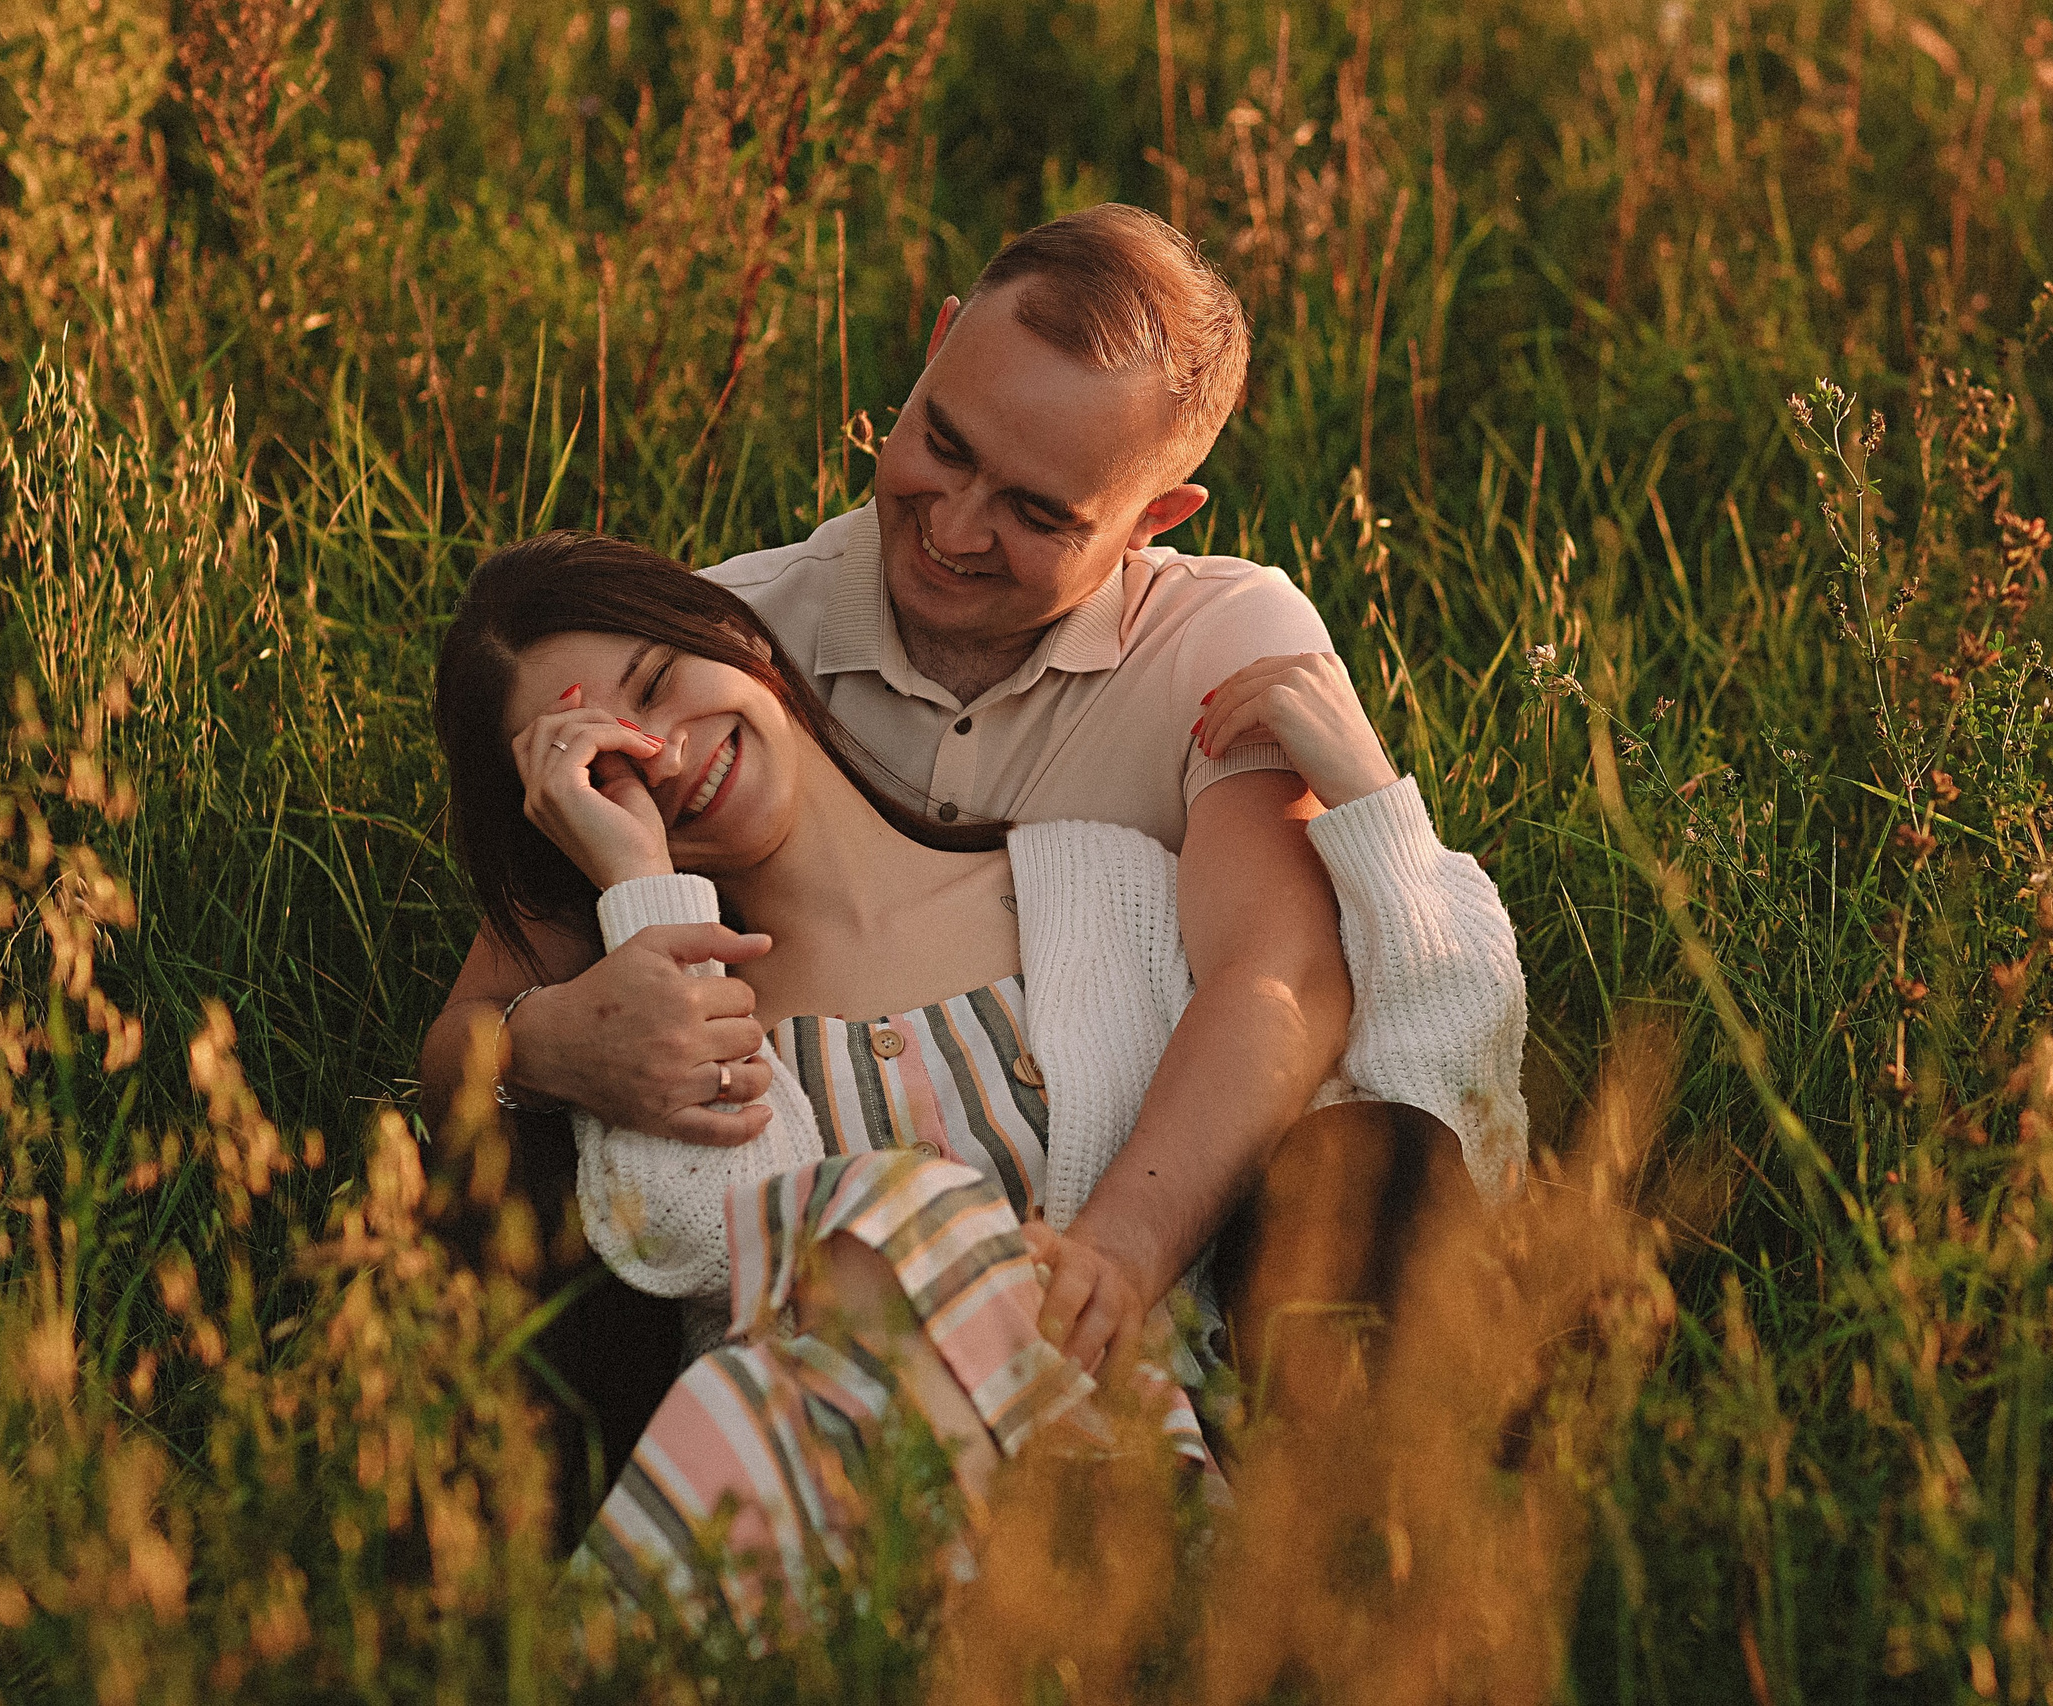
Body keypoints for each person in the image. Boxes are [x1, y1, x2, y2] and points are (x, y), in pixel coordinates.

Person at [419, 205, 1466, 1476]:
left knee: (1369, 1166)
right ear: (933, 347)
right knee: (525, 1166)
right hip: (821, 1301)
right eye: (941, 443)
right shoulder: (730, 640)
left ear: (1153, 516)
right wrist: (548, 1041)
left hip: (1137, 1233)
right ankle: (531, 1591)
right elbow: (465, 1037)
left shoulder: (1220, 642)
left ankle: (1360, 1561)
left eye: (1038, 511)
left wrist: (1118, 1256)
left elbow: (1280, 982)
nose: (956, 529)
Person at [430, 533, 1526, 1623]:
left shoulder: (1108, 888)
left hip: (1163, 1508)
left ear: (735, 632)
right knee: (872, 1225)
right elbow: (708, 1252)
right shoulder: (660, 1021)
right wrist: (639, 887)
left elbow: (1428, 1126)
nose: (660, 755)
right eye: (598, 766)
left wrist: (1378, 811)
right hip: (849, 1558)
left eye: (659, 686)